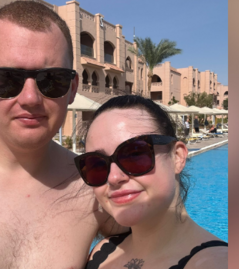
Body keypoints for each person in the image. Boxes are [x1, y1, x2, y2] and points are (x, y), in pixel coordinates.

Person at [0, 2, 124, 269]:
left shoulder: (92, 186)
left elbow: (164, 241)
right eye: (7, 79)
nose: (30, 98)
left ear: (72, 88)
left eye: (52, 80)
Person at [74, 95, 228, 269]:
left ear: (177, 157)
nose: (114, 178)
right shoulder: (103, 252)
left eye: (134, 154)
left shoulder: (216, 262)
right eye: (97, 164)